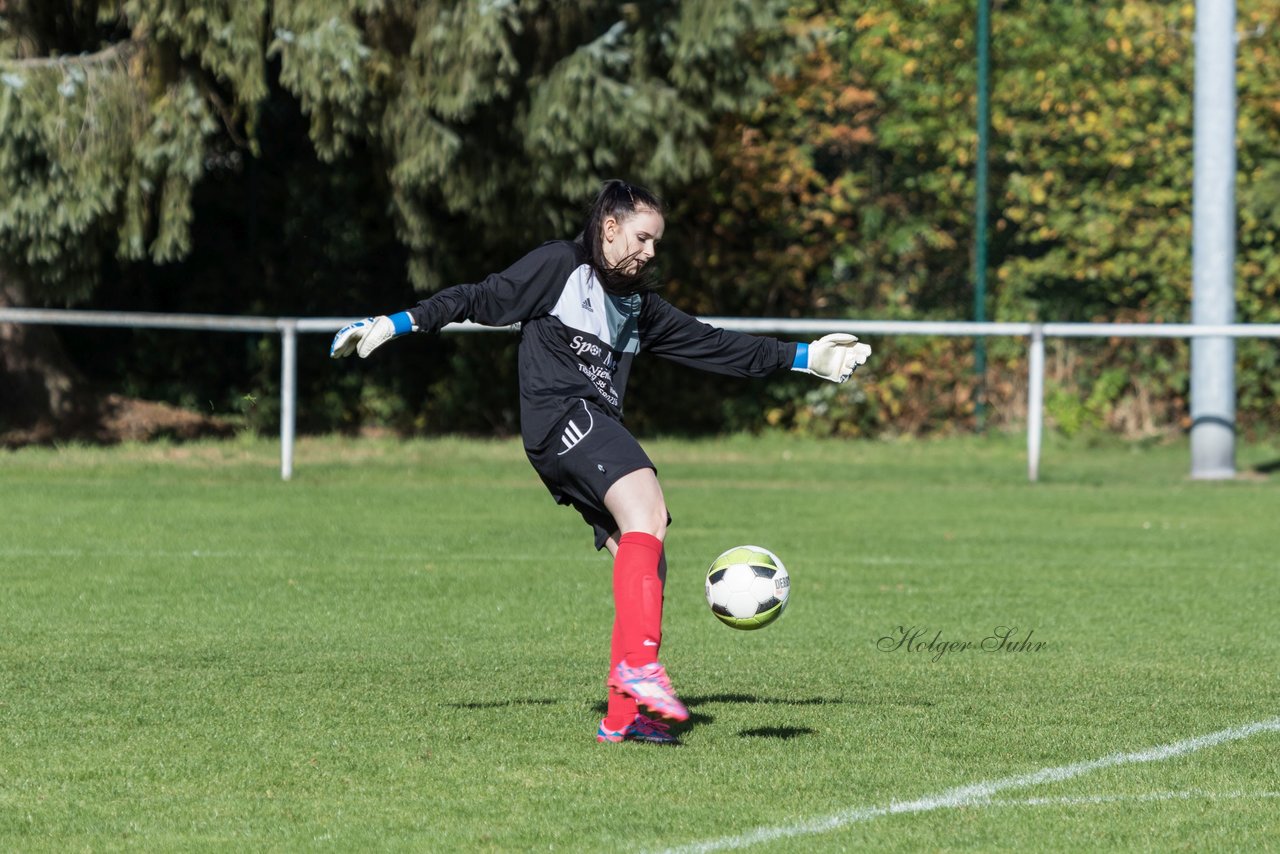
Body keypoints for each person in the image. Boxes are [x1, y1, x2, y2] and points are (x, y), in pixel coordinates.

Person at [330, 179, 871, 745]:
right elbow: (477, 297)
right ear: (609, 229)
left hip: (587, 430)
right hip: (562, 416)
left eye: (657, 242)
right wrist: (395, 323)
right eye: (642, 237)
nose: (651, 252)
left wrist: (807, 358)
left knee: (645, 558)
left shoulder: (638, 306)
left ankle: (623, 717)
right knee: (650, 511)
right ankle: (640, 670)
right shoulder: (561, 266)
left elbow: (714, 346)